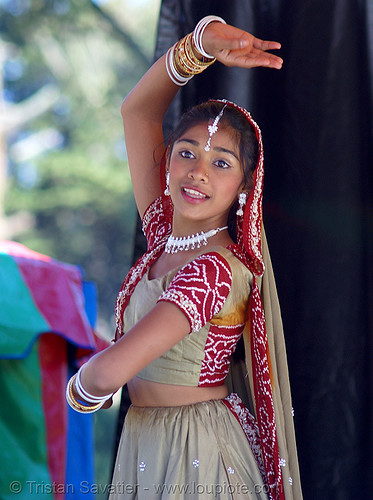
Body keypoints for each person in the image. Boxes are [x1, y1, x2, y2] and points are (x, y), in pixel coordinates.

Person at [66, 15, 302, 500]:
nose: (198, 173)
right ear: (167, 158)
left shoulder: (215, 269)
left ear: (244, 187)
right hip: (148, 442)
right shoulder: (163, 234)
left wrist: (80, 387)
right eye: (187, 153)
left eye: (221, 164)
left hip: (197, 454)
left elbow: (109, 374)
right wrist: (200, 44)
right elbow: (137, 113)